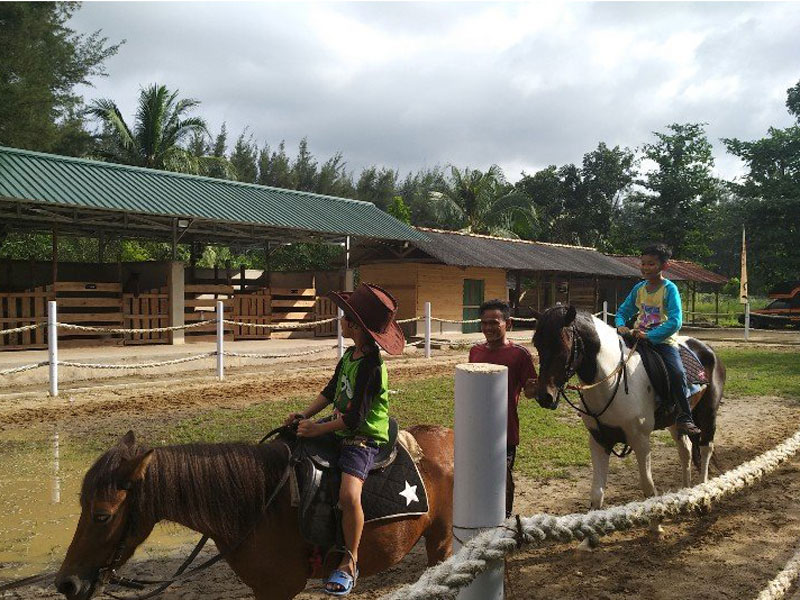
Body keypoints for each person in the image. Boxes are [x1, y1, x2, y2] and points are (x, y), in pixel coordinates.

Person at [284, 283, 404, 596]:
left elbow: (355, 418)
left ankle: (350, 560)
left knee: (350, 495)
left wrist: (317, 429)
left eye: (344, 317)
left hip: (362, 436)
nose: (340, 321)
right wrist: (304, 415)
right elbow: (330, 389)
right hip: (339, 426)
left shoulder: (371, 367)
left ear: (354, 325)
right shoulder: (350, 355)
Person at [615, 243, 702, 436]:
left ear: (664, 266)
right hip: (636, 337)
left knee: (677, 373)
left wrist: (651, 335)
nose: (645, 268)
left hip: (662, 341)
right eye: (643, 263)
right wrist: (621, 324)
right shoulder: (639, 288)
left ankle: (684, 416)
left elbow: (675, 321)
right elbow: (623, 310)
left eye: (651, 264)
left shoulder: (669, 289)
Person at [468, 299, 538, 518]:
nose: (488, 328)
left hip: (504, 431)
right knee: (477, 478)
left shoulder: (520, 354)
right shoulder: (475, 352)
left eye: (494, 323)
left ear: (507, 323)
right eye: (484, 323)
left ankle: (503, 522)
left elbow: (529, 392)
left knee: (502, 480)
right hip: (476, 431)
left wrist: (536, 386)